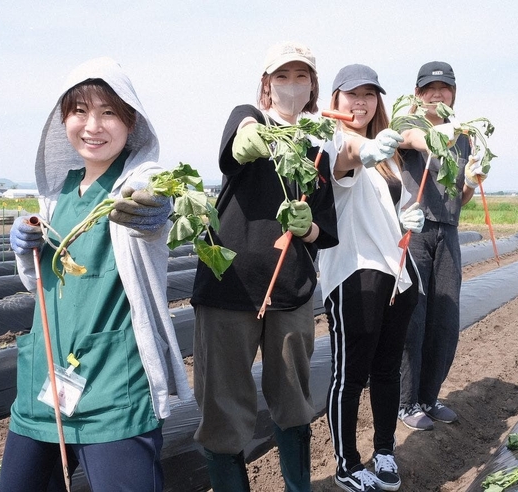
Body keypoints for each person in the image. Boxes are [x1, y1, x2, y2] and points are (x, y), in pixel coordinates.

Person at [1, 57, 192, 491]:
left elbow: (153, 200)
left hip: (113, 385)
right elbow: (36, 284)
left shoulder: (136, 182)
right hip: (47, 379)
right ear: (63, 119)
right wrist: (25, 249)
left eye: (108, 112)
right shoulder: (57, 195)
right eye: (80, 111)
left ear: (130, 122)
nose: (93, 126)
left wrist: (157, 209)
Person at [190, 42, 339, 492]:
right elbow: (240, 137)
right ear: (266, 85)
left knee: (293, 402)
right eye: (282, 77)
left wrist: (308, 227)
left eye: (301, 77)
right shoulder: (248, 119)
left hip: (291, 292)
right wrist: (250, 135)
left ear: (312, 88)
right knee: (222, 408)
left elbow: (326, 231)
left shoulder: (316, 153)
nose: (291, 85)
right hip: (229, 287)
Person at [319, 64, 423, 492]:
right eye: (351, 94)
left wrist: (407, 218)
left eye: (369, 94)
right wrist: (365, 148)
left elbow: (390, 207)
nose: (360, 102)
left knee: (386, 370)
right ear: (336, 100)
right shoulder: (330, 143)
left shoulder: (389, 157)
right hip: (354, 273)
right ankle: (346, 464)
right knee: (350, 376)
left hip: (396, 275)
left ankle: (384, 451)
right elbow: (348, 155)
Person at [397, 61, 488, 431]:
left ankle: (428, 397)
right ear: (418, 94)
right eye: (429, 88)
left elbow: (460, 198)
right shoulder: (406, 124)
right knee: (413, 319)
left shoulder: (465, 138)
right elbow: (408, 139)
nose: (437, 94)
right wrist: (436, 136)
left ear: (453, 93)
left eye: (444, 88)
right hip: (415, 232)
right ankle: (405, 404)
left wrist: (472, 181)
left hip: (448, 232)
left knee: (445, 322)